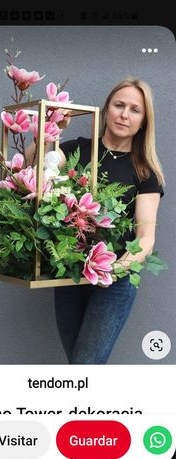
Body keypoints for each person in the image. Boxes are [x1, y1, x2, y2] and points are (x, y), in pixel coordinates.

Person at [52, 76, 165, 364]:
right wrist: (49, 129)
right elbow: (35, 166)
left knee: (85, 367)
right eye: (119, 105)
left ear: (143, 121)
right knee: (81, 368)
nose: (125, 114)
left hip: (115, 281)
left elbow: (145, 239)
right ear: (106, 109)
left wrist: (112, 271)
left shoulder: (145, 172)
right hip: (70, 275)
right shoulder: (78, 149)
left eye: (135, 110)